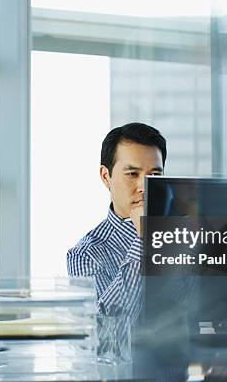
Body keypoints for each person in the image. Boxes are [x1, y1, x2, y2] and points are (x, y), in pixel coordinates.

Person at [66, 122, 166, 325]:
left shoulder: (186, 235)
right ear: (106, 177)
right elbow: (108, 329)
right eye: (132, 174)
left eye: (155, 176)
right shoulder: (85, 255)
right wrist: (143, 240)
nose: (145, 187)